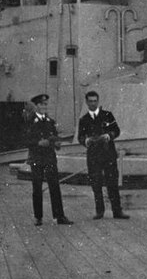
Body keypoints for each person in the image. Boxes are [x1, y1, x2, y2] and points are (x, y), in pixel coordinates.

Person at [77, 91, 130, 220]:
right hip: (94, 156)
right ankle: (99, 211)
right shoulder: (83, 120)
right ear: (87, 102)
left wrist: (108, 135)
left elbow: (116, 130)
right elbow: (80, 137)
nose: (93, 103)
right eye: (90, 101)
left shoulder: (107, 115)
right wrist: (86, 141)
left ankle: (117, 211)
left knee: (112, 183)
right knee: (96, 184)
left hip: (108, 155)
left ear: (98, 101)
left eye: (95, 101)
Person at [25, 94, 73, 226]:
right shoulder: (30, 121)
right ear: (36, 106)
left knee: (54, 186)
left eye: (46, 104)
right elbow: (26, 139)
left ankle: (59, 216)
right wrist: (38, 143)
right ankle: (38, 216)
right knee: (37, 187)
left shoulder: (51, 122)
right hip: (36, 158)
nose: (44, 107)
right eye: (41, 104)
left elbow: (55, 138)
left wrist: (57, 144)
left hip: (50, 158)